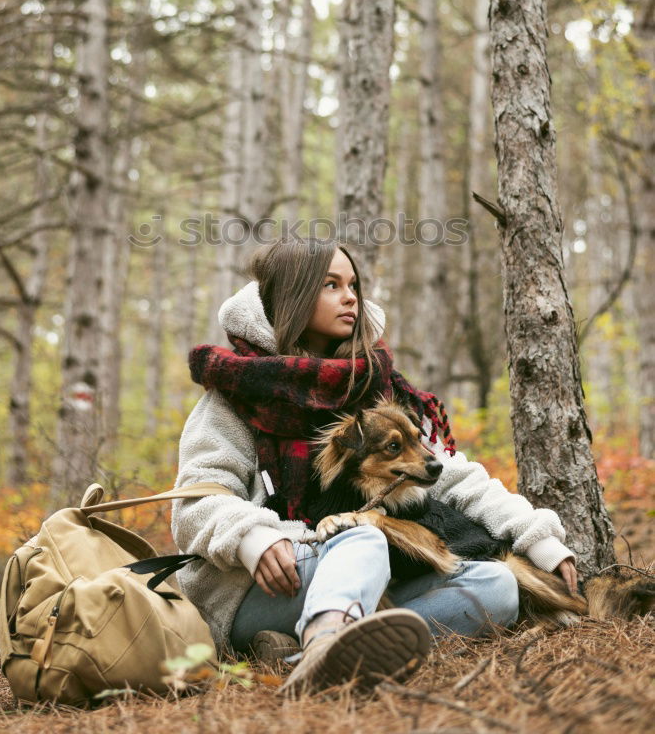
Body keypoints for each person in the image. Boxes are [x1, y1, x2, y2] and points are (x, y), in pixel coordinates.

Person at [171, 237, 578, 694]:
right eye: (330, 285)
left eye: (354, 285)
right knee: (363, 531)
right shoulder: (232, 396)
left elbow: (451, 474)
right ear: (293, 297)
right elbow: (195, 502)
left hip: (369, 581)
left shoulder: (376, 387)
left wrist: (536, 537)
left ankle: (303, 655)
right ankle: (323, 642)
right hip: (270, 583)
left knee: (498, 586)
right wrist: (252, 538)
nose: (351, 297)